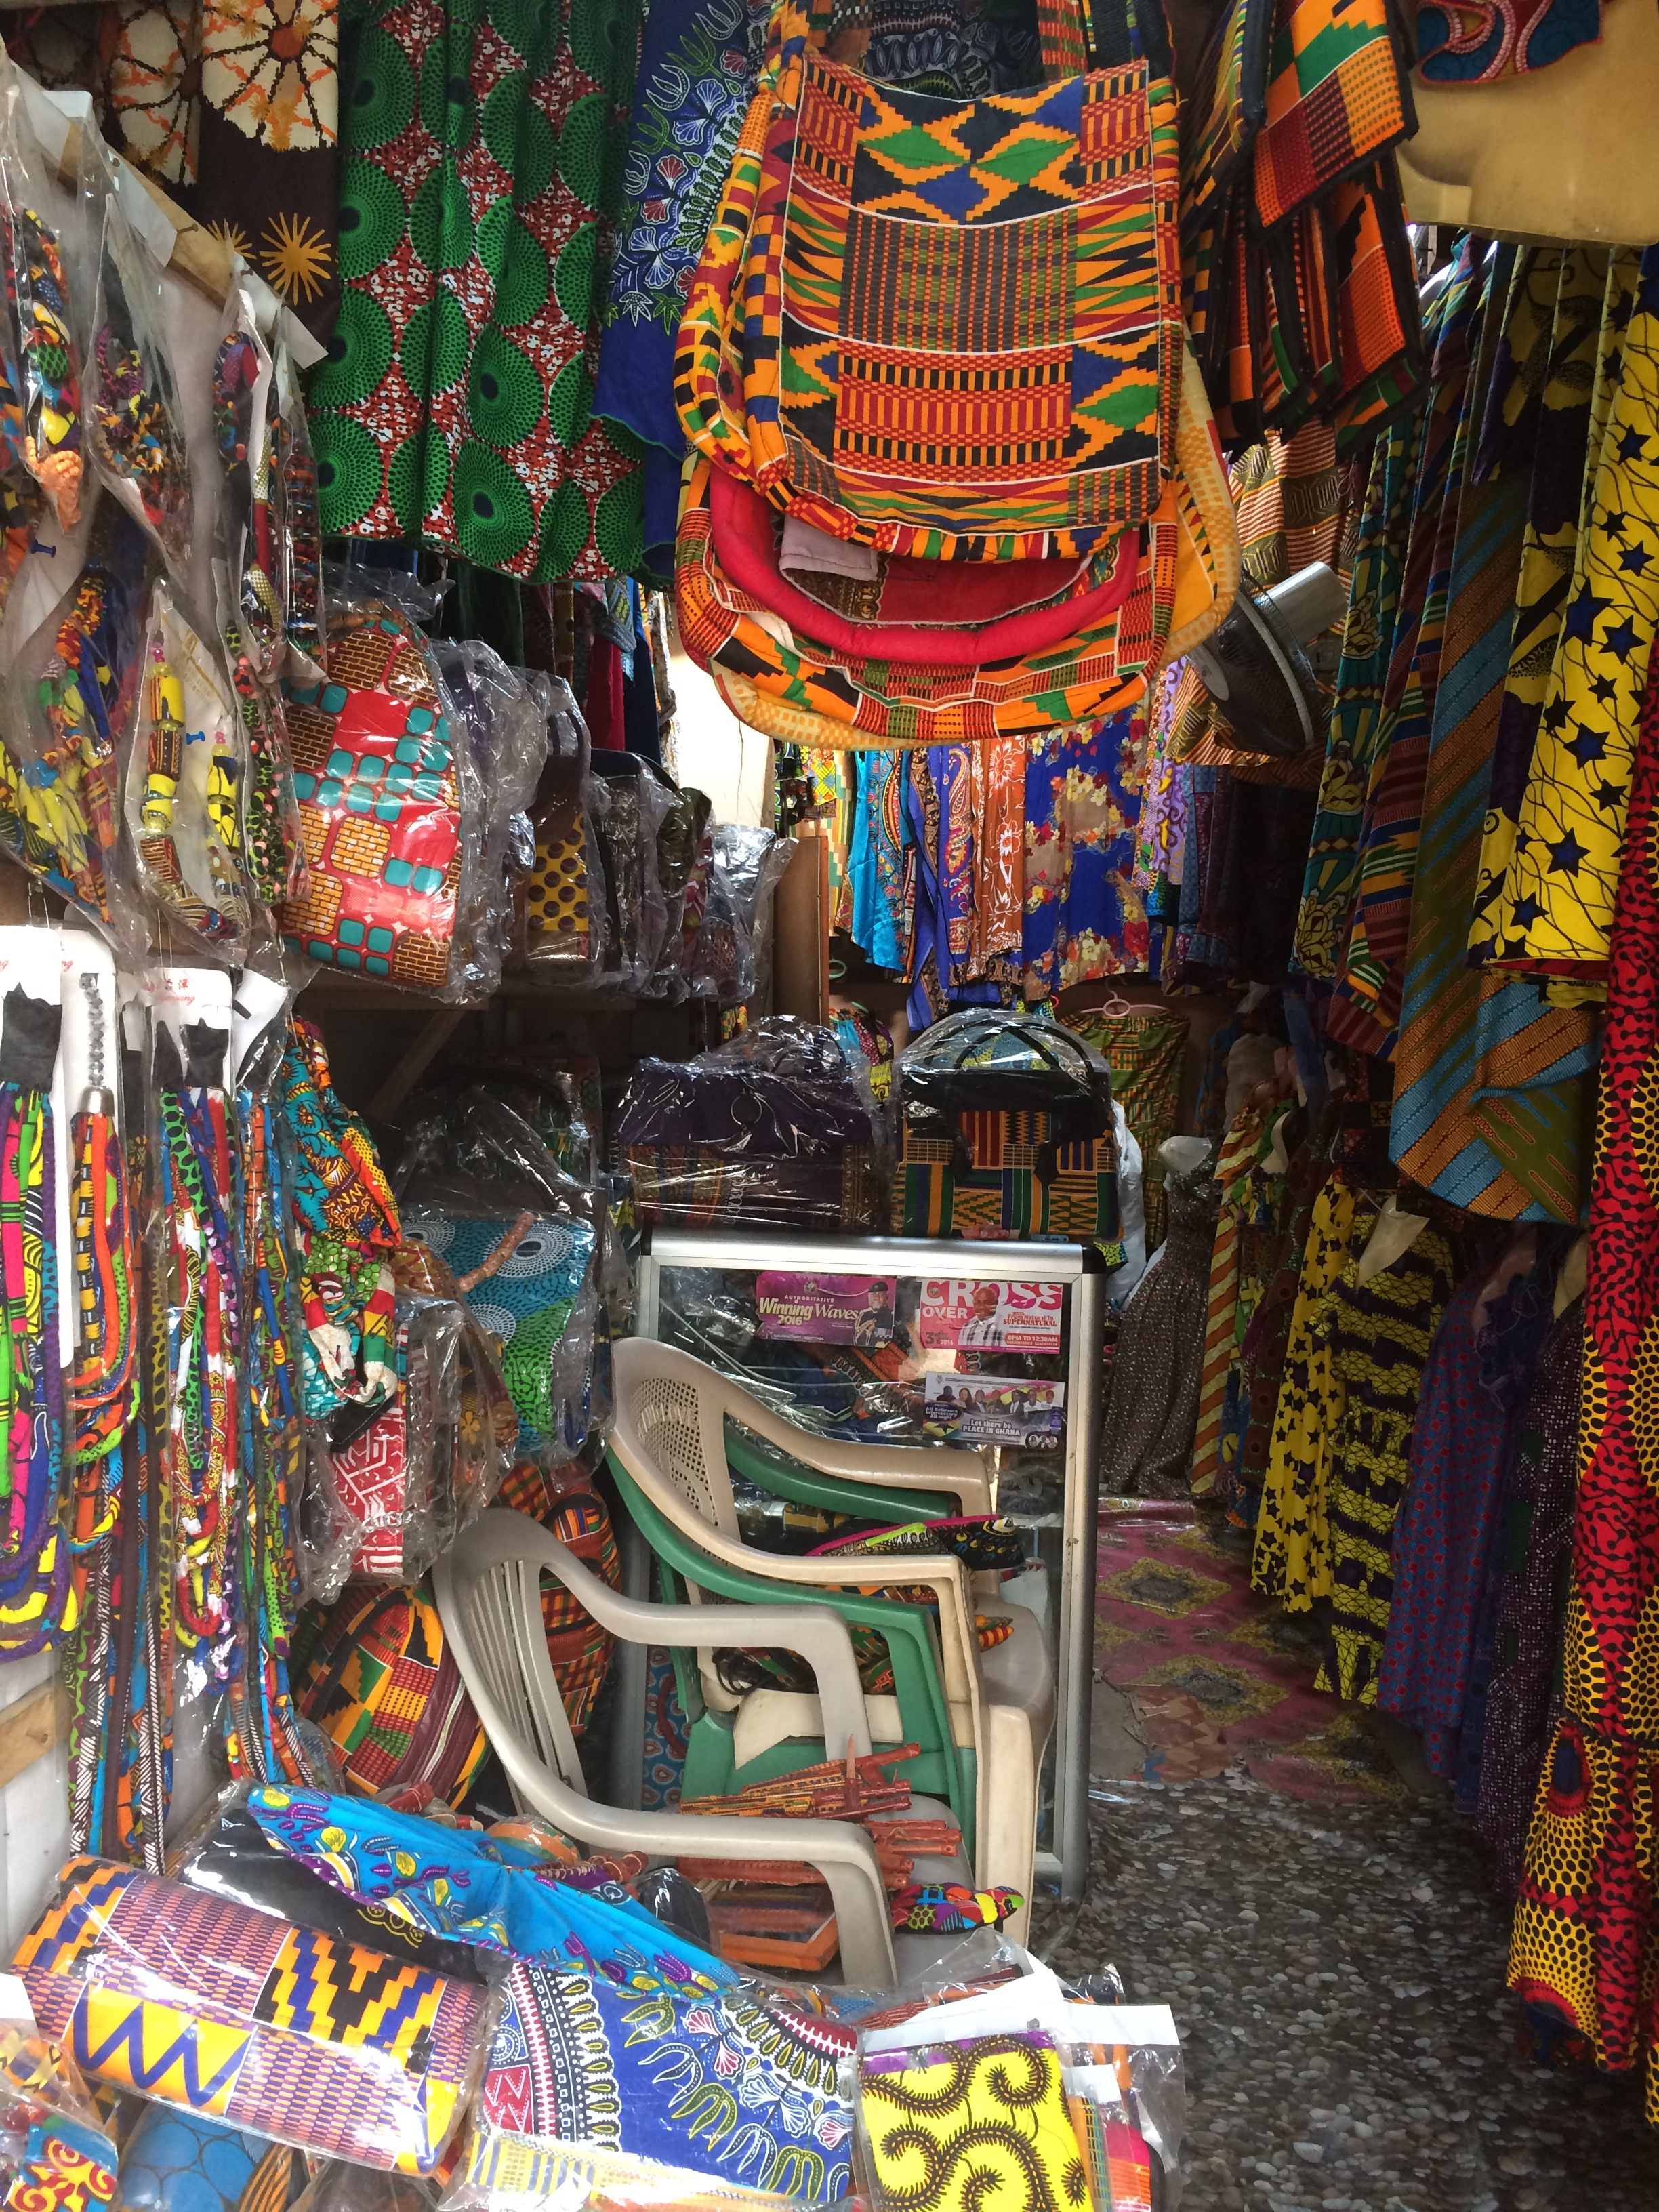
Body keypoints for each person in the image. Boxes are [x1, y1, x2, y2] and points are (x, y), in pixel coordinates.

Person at [957, 1282, 1008, 1349]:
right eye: (978, 1303)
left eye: (986, 1303)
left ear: (995, 1303)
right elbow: (961, 1351)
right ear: (973, 1303)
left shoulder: (1005, 1325)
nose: (982, 1307)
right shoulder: (966, 1327)